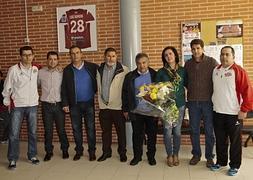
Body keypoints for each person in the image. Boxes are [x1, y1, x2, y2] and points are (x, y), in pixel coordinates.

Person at [210, 46, 253, 176]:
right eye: (222, 54)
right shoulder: (216, 70)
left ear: (233, 56)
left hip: (234, 113)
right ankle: (221, 162)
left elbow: (248, 91)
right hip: (218, 111)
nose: (224, 57)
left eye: (227, 54)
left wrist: (244, 109)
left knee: (235, 141)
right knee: (220, 139)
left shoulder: (238, 71)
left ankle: (234, 165)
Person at [2, 46, 40, 169]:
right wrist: (6, 99)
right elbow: (7, 85)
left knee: (33, 132)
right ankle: (12, 159)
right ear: (20, 56)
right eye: (24, 55)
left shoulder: (36, 68)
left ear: (33, 55)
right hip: (17, 105)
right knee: (14, 133)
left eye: (30, 55)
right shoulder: (13, 69)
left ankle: (32, 155)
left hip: (33, 105)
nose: (27, 57)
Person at [184, 39, 218, 167]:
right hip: (192, 102)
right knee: (194, 130)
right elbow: (186, 82)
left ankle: (209, 157)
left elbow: (217, 79)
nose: (196, 51)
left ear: (203, 48)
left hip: (208, 102)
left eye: (198, 48)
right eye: (193, 49)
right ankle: (196, 154)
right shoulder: (188, 64)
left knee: (209, 130)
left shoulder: (212, 62)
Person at [61, 45, 98, 161]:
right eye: (72, 53)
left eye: (77, 52)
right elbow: (64, 88)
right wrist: (65, 103)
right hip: (74, 105)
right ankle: (79, 151)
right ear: (70, 55)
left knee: (90, 129)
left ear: (81, 54)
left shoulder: (92, 67)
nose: (75, 55)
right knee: (76, 129)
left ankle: (92, 151)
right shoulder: (67, 70)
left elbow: (104, 73)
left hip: (89, 103)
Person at [122, 52, 157, 166]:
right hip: (136, 111)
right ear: (136, 64)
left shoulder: (154, 74)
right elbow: (125, 93)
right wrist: (126, 109)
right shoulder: (130, 76)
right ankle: (137, 157)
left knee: (152, 135)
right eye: (139, 63)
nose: (142, 66)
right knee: (137, 135)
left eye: (144, 62)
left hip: (152, 111)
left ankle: (151, 156)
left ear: (148, 62)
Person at [96, 47, 129, 162]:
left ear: (116, 57)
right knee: (105, 132)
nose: (111, 58)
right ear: (105, 57)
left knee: (121, 132)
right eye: (108, 56)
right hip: (104, 107)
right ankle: (106, 152)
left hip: (118, 107)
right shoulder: (99, 70)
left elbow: (127, 90)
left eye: (113, 56)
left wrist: (126, 107)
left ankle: (122, 153)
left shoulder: (124, 70)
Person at [155, 46, 186, 167]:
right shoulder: (161, 72)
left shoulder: (183, 71)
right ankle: (169, 155)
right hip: (167, 106)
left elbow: (186, 85)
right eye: (166, 55)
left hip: (179, 105)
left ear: (175, 55)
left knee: (177, 132)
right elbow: (156, 90)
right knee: (167, 131)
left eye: (170, 54)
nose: (168, 56)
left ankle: (176, 154)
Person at [38, 51, 69, 161]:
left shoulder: (62, 72)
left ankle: (65, 150)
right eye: (50, 59)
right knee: (48, 130)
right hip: (46, 106)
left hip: (59, 105)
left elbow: (66, 88)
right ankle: (48, 152)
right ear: (47, 60)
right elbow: (35, 85)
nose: (52, 61)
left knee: (61, 130)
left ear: (58, 60)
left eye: (55, 59)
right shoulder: (40, 72)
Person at [0, 70, 10, 144]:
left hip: (4, 107)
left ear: (1, 77)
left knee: (7, 123)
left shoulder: (4, 84)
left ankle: (4, 138)